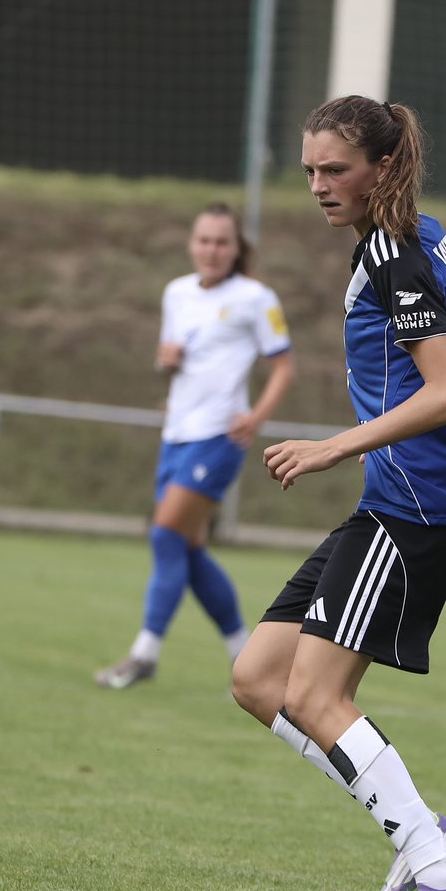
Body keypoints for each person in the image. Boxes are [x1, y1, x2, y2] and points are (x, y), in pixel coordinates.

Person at [231, 96, 446, 891]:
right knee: (258, 680)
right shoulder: (417, 237)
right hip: (398, 499)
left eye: (336, 170)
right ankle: (423, 833)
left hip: (413, 508)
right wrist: (445, 419)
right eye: (311, 171)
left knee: (316, 694)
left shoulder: (397, 253)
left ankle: (439, 871)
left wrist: (339, 445)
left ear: (383, 168)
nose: (320, 186)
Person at [96, 203, 295, 689]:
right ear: (192, 244)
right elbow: (173, 360)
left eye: (221, 242)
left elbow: (284, 365)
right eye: (204, 240)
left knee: (165, 536)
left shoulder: (256, 297)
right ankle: (247, 656)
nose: (211, 250)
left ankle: (144, 653)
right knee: (187, 549)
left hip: (219, 437)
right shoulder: (177, 293)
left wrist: (256, 417)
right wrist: (166, 362)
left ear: (236, 248)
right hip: (177, 436)